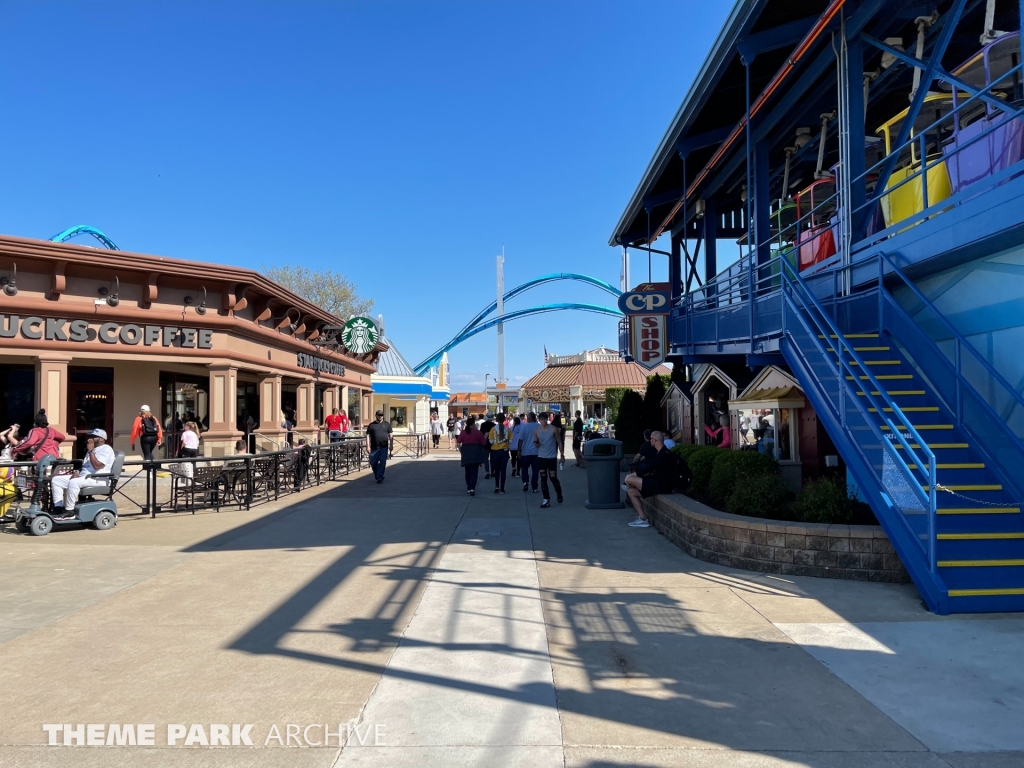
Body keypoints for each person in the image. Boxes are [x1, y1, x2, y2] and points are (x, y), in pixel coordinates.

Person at [51, 429, 115, 516]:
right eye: (90, 436)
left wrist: (91, 450)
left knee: (74, 482)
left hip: (98, 478)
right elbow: (85, 465)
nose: (90, 439)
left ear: (101, 439)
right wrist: (77, 471)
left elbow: (97, 466)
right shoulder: (92, 450)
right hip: (85, 477)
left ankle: (70, 511)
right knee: (56, 480)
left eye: (93, 437)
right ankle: (58, 508)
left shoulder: (106, 449)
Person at [623, 431, 676, 528]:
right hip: (656, 482)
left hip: (662, 486)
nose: (649, 441)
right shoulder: (660, 452)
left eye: (651, 439)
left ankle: (627, 484)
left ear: (655, 440)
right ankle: (643, 519)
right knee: (631, 492)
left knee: (629, 479)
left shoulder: (664, 454)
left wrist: (633, 476)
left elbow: (649, 468)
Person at [532, 412, 563, 508]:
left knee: (553, 477)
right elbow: (536, 443)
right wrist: (536, 443)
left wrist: (562, 455)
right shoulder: (537, 431)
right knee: (543, 478)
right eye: (542, 419)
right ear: (539, 420)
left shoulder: (553, 429)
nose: (544, 421)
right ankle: (546, 499)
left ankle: (559, 493)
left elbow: (559, 441)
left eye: (545, 419)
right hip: (541, 457)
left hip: (552, 457)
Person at [456, 416, 487, 495]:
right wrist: (486, 436)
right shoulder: (478, 432)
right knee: (474, 471)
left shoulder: (463, 432)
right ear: (473, 424)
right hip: (475, 452)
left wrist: (461, 451)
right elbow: (483, 443)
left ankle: (468, 487)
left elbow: (458, 443)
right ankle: (473, 487)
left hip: (466, 452)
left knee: (467, 471)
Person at [365, 410, 392, 484]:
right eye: (379, 415)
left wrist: (391, 445)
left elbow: (391, 434)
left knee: (382, 462)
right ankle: (377, 474)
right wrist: (368, 446)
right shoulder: (371, 425)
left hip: (384, 447)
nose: (380, 417)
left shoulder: (386, 424)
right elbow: (367, 436)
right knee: (373, 462)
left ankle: (380, 477)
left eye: (382, 415)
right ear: (376, 415)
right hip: (374, 447)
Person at [487, 413, 511, 494]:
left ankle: (497, 487)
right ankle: (502, 489)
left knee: (497, 470)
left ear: (496, 419)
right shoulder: (508, 429)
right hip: (504, 451)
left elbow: (491, 441)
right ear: (504, 419)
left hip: (495, 452)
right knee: (503, 470)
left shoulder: (493, 429)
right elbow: (510, 441)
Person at [518, 412, 540, 493]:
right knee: (535, 470)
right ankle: (534, 487)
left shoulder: (524, 427)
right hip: (536, 452)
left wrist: (519, 450)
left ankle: (525, 482)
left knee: (524, 469)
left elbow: (520, 440)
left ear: (530, 418)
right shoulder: (539, 427)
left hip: (526, 452)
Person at [479, 413, 496, 479]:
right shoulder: (494, 425)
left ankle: (487, 472)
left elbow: (481, 434)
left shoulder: (483, 425)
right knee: (492, 459)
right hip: (492, 444)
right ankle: (493, 472)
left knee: (486, 459)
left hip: (485, 443)